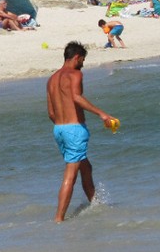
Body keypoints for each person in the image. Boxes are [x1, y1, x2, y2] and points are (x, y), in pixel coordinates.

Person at [46, 41, 116, 223]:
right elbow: (76, 97)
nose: (83, 64)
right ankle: (59, 218)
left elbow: (51, 113)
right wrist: (102, 114)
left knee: (86, 167)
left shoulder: (52, 79)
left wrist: (63, 125)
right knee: (71, 174)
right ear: (76, 57)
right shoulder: (75, 74)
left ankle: (95, 204)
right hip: (74, 129)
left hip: (59, 129)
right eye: (82, 60)